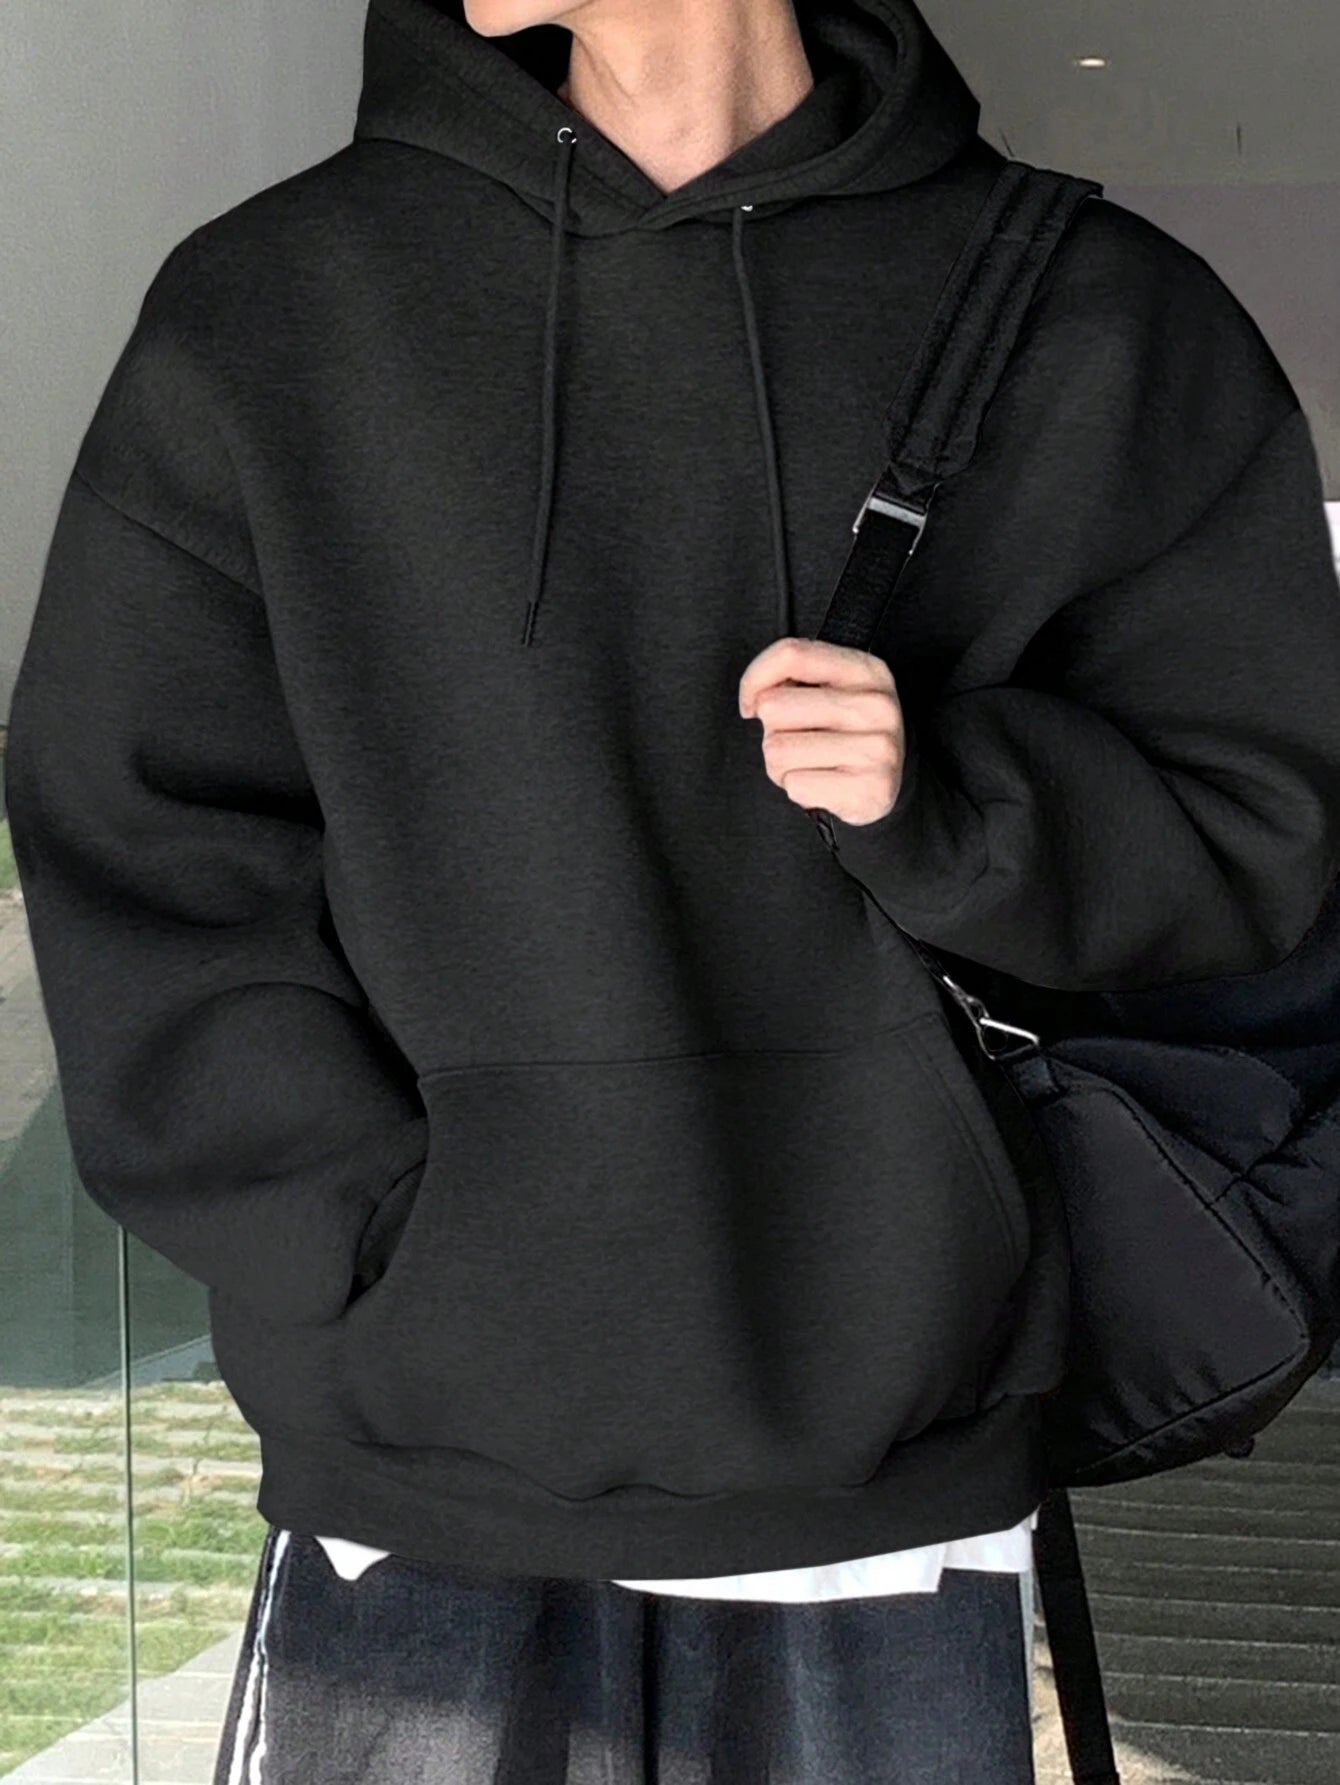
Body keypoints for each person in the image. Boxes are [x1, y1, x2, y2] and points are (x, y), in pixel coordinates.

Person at [8, 0, 1340, 1778]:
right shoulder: (275, 310)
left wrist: (953, 799)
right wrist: (369, 1243)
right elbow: (144, 840)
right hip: (424, 1456)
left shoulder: (1091, 317)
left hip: (887, 1447)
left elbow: (1256, 833)